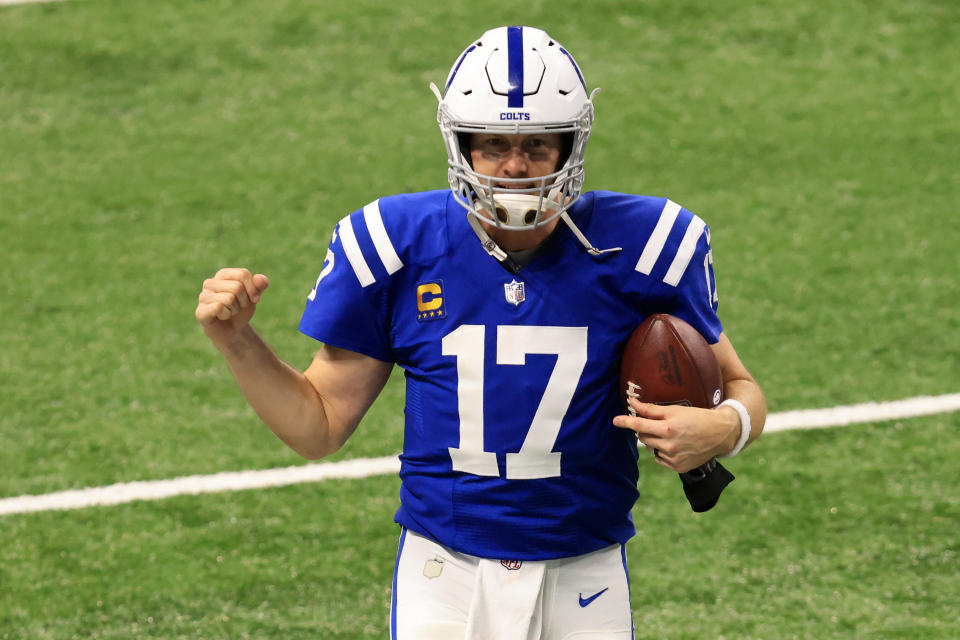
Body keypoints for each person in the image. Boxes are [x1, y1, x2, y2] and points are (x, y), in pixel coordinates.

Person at [195, 26, 766, 640]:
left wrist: (724, 427)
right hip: (445, 570)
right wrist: (237, 342)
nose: (515, 165)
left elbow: (741, 388)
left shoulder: (644, 243)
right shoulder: (395, 242)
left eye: (537, 144)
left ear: (570, 146)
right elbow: (317, 426)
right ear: (461, 145)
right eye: (493, 144)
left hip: (585, 568)